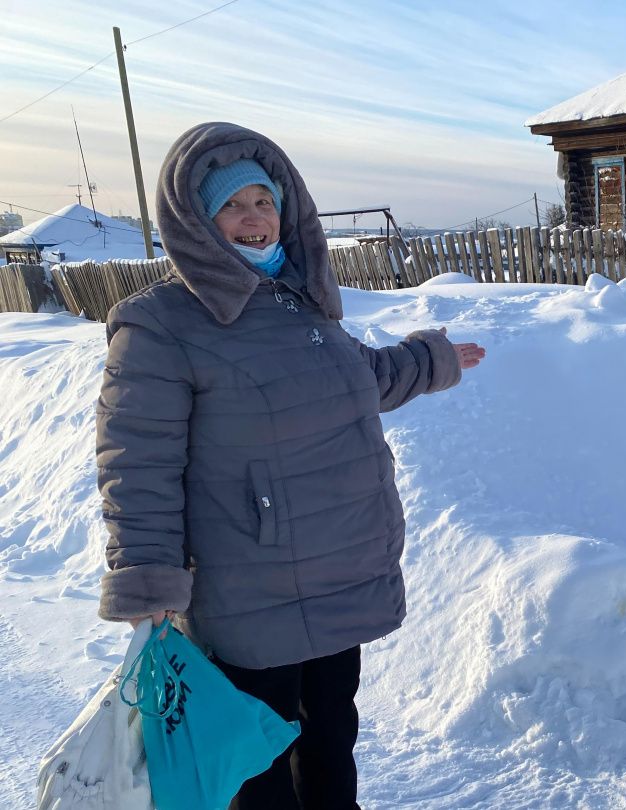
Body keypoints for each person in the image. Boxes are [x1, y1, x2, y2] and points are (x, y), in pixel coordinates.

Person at [94, 121, 484, 809]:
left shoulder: (301, 305)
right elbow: (138, 463)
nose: (253, 219)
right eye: (232, 205)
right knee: (256, 761)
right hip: (249, 595)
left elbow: (366, 378)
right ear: (196, 220)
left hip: (340, 577)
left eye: (264, 202)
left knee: (331, 737)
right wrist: (148, 580)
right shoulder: (161, 325)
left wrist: (432, 361)